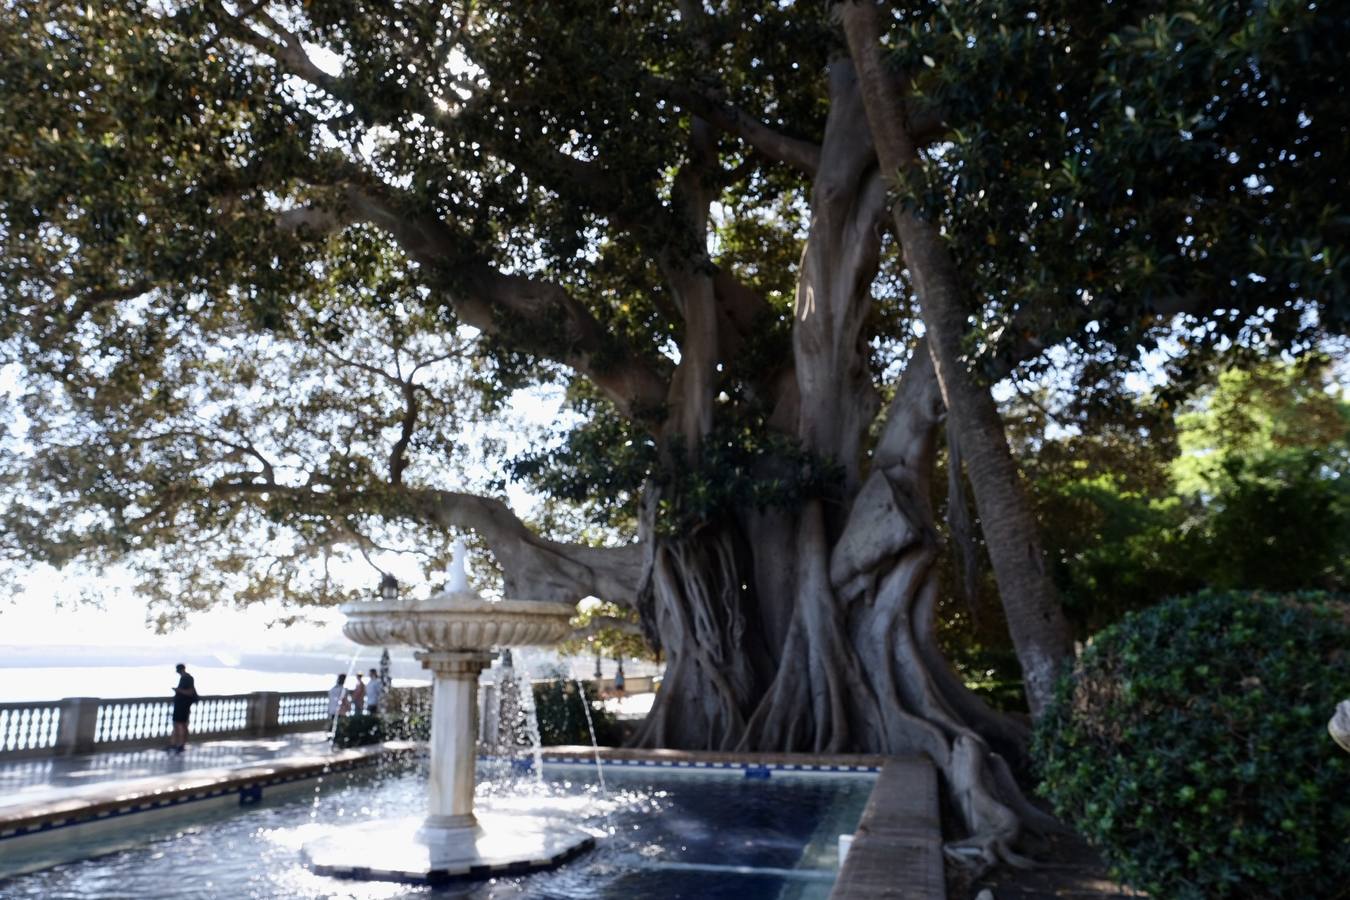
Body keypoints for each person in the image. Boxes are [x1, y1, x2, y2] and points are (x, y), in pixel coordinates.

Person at [166, 663, 197, 753]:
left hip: (183, 705)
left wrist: (178, 690)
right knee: (177, 724)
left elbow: (190, 692)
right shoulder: (184, 678)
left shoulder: (188, 678)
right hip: (180, 705)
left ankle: (181, 744)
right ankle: (175, 744)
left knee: (181, 725)